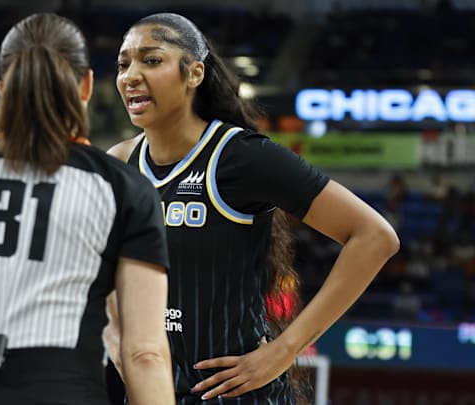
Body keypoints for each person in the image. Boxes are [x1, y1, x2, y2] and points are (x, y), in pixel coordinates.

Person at [103, 12, 400, 404]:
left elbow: (375, 236)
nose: (131, 75)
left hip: (236, 394)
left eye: (151, 60)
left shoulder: (241, 156)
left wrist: (284, 350)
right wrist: (123, 348)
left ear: (194, 74)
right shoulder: (119, 165)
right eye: (124, 64)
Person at [0, 13, 175, 405]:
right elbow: (144, 353)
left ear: (5, 88)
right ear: (87, 85)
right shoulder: (122, 187)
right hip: (62, 388)